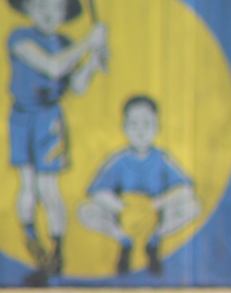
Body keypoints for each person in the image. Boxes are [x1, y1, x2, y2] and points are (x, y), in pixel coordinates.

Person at [7, 0, 108, 286]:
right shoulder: (20, 37)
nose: (49, 12)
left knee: (47, 188)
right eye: (41, 4)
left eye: (57, 6)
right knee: (28, 186)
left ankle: (56, 251)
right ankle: (31, 241)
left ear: (66, 13)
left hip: (50, 119)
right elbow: (52, 67)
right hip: (22, 117)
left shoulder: (65, 44)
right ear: (28, 8)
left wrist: (92, 60)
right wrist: (88, 42)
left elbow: (74, 85)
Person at [77, 95, 201, 276]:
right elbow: (96, 192)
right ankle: (125, 243)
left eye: (147, 125)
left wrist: (157, 204)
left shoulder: (161, 159)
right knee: (86, 210)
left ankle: (153, 242)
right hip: (124, 216)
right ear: (124, 128)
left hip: (155, 216)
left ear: (157, 127)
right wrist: (121, 207)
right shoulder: (119, 160)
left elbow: (185, 189)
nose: (140, 132)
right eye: (134, 125)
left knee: (193, 206)